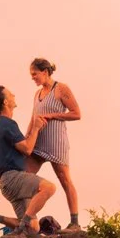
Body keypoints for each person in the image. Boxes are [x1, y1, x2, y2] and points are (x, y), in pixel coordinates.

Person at [0, 85, 58, 237]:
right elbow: (28, 148)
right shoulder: (6, 123)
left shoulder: (2, 124)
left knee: (33, 229)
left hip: (7, 182)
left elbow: (24, 144)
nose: (14, 94)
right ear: (5, 102)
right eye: (10, 94)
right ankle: (22, 225)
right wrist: (36, 128)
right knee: (49, 188)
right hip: (13, 178)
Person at [27, 58, 82, 228]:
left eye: (34, 74)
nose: (33, 78)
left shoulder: (61, 89)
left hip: (56, 143)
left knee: (65, 180)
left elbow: (76, 113)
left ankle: (74, 223)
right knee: (25, 178)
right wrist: (25, 139)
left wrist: (52, 115)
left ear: (45, 72)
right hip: (38, 144)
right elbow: (32, 118)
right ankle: (26, 220)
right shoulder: (37, 94)